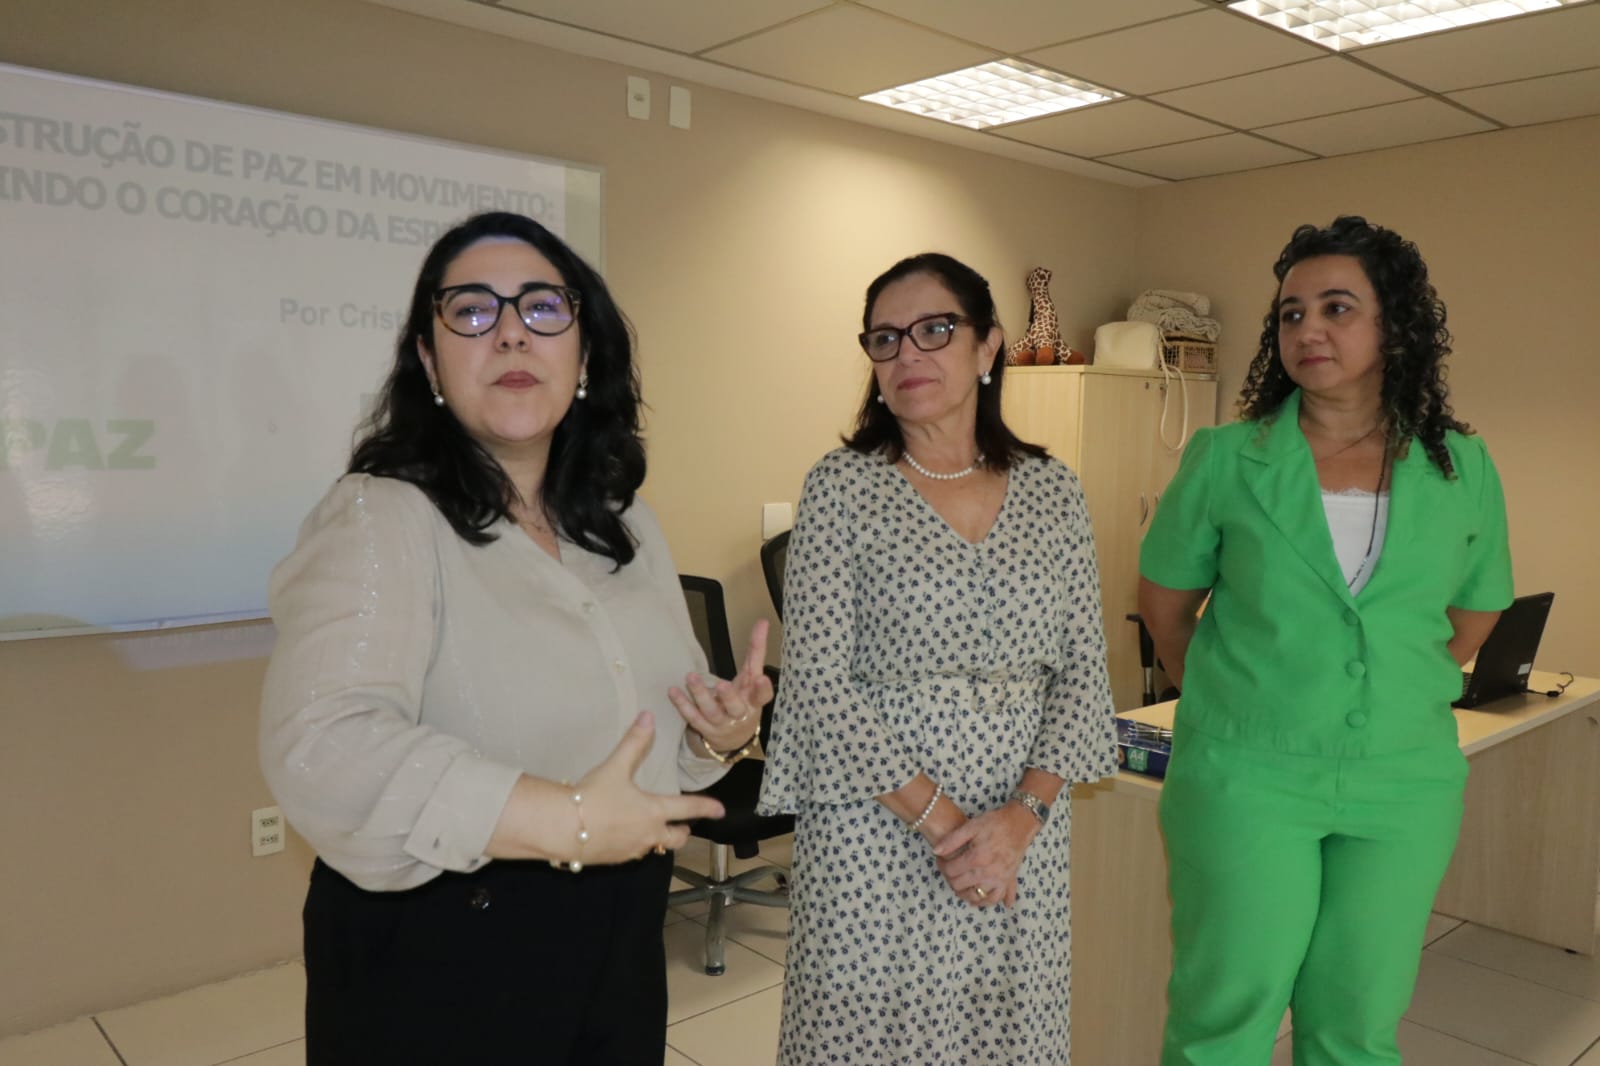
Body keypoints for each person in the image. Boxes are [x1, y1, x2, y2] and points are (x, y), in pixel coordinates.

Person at [259, 211, 772, 1065]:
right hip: (443, 955)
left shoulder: (624, 523)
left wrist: (717, 733)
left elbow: (653, 748)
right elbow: (324, 747)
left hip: (620, 940)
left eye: (542, 308)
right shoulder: (382, 516)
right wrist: (566, 821)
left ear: (584, 354)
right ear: (430, 362)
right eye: (471, 311)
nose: (509, 333)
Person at [1139, 216, 1513, 1066]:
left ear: (1394, 326)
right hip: (1245, 777)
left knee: (1358, 1022)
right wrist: (1244, 694)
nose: (1308, 329)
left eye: (1337, 308)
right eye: (1291, 314)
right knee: (1223, 1017)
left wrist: (1386, 688)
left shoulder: (1461, 464)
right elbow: (1165, 609)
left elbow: (1476, 612)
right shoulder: (1226, 458)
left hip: (1403, 781)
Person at [758, 252, 1119, 1064]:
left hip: (1021, 821)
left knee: (1001, 1032)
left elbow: (1082, 673)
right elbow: (817, 686)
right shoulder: (841, 488)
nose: (906, 354)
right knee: (867, 1036)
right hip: (875, 815)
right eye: (885, 338)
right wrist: (951, 829)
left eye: (934, 330)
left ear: (988, 346)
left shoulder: (1054, 490)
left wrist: (1018, 820)